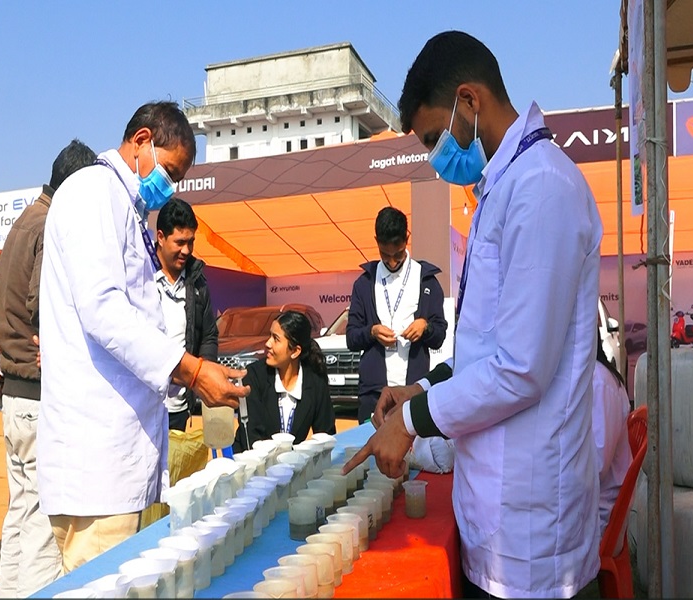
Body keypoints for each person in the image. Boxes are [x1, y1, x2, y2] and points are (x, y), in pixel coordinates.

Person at [344, 31, 603, 598]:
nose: (437, 159)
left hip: (531, 528)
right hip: (496, 509)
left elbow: (521, 368)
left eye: (436, 137)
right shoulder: (502, 188)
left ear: (468, 100)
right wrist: (420, 389)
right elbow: (486, 347)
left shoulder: (541, 187)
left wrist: (411, 422)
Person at [37, 101, 248, 573]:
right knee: (103, 582)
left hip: (114, 463)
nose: (170, 187)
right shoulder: (93, 193)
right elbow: (104, 310)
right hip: (96, 467)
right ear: (142, 141)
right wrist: (191, 370)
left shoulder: (122, 204)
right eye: (170, 172)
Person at [0, 139, 97, 598]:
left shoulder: (23, 221)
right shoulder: (51, 224)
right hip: (38, 394)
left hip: (15, 395)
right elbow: (43, 299)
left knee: (21, 511)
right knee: (42, 522)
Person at [345, 206, 447, 424]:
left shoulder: (426, 281)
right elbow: (351, 338)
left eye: (398, 254)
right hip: (373, 395)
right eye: (385, 255)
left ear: (407, 239)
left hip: (413, 394)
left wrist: (425, 327)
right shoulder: (364, 283)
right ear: (376, 242)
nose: (392, 262)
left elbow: (440, 335)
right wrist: (372, 332)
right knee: (370, 445)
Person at [155, 197, 219, 431]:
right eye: (180, 242)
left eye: (191, 242)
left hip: (179, 410)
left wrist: (202, 375)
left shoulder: (198, 282)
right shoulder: (140, 277)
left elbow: (209, 335)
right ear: (160, 237)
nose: (187, 251)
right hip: (144, 406)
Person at [232, 310, 336, 452]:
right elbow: (251, 437)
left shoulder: (315, 383)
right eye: (270, 335)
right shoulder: (253, 377)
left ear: (295, 351)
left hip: (293, 463)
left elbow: (326, 437)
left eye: (276, 339)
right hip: (253, 462)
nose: (268, 343)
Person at [592, 336, 632, 538]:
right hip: (588, 504)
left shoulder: (599, 382)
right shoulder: (593, 377)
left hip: (599, 514)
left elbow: (597, 466)